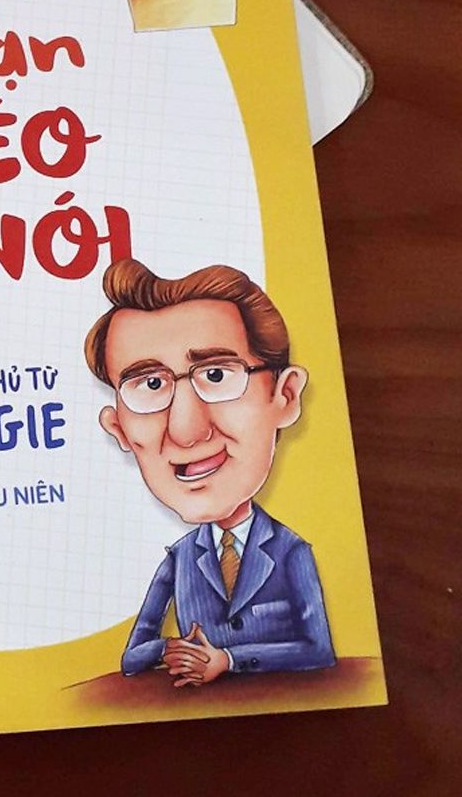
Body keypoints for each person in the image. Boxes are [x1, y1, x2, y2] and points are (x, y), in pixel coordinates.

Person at [83, 259, 335, 687]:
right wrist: (170, 649)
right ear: (119, 428)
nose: (186, 430)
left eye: (216, 375)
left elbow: (318, 649)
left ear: (286, 396)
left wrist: (229, 660)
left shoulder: (292, 551)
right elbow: (132, 656)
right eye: (150, 385)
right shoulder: (180, 557)